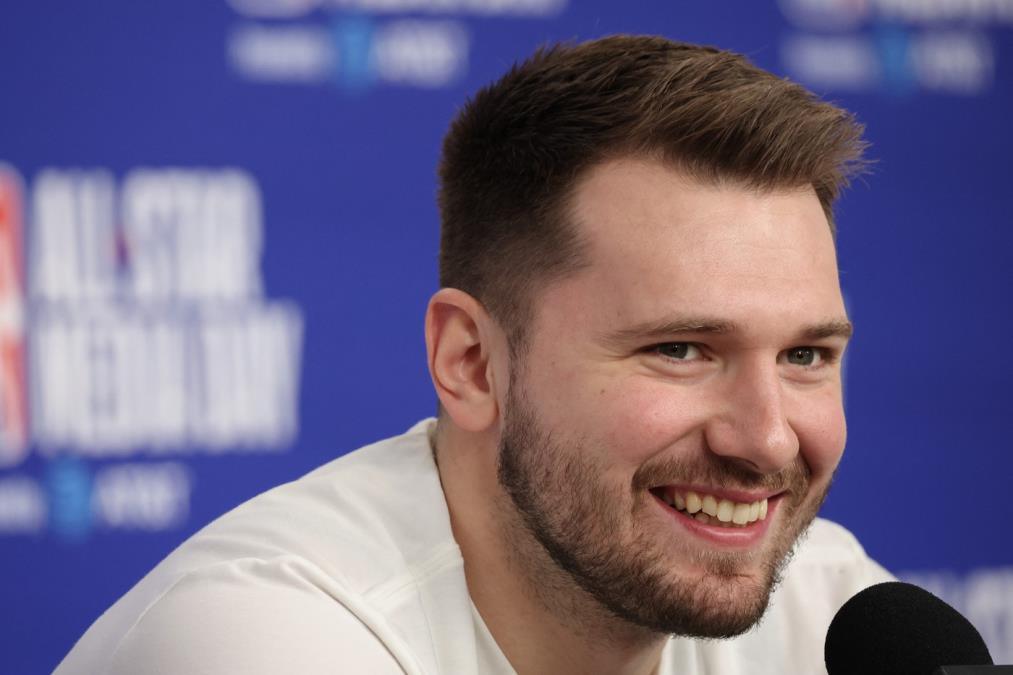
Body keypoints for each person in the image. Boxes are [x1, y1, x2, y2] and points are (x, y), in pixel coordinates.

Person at [57, 35, 892, 675]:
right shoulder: (264, 637)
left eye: (805, 355)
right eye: (680, 349)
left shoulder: (832, 616)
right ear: (472, 363)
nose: (767, 438)